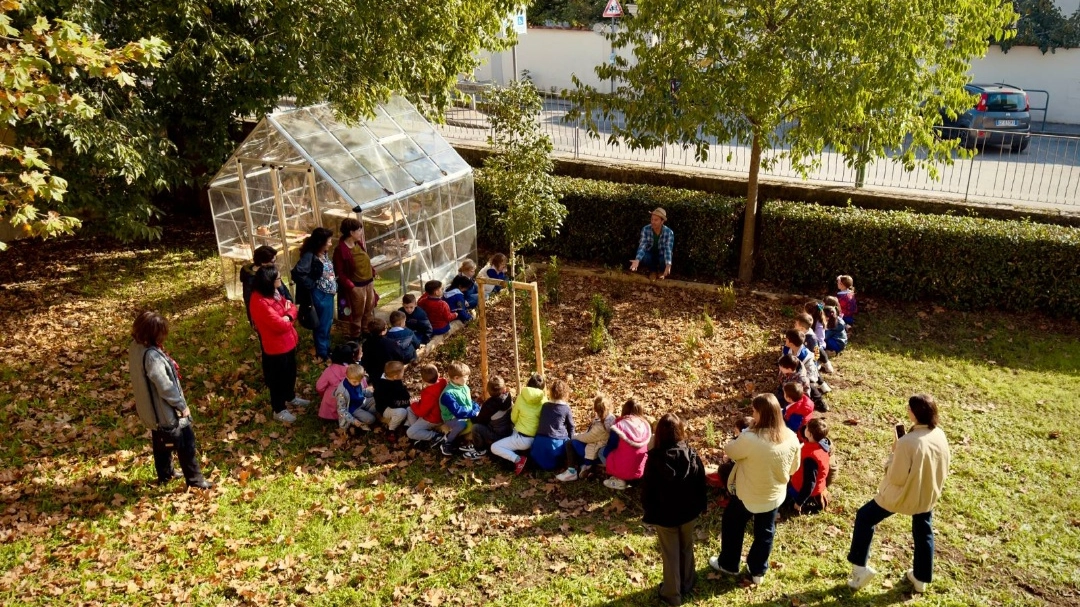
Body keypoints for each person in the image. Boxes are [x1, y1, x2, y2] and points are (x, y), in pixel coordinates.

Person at [847, 394, 951, 594]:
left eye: (909, 409)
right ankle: (921, 578)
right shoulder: (939, 434)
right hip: (927, 494)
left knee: (864, 517)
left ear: (915, 413)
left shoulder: (907, 443)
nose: (907, 411)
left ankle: (860, 570)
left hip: (901, 496)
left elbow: (896, 477)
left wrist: (894, 452)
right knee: (923, 531)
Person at [709, 393, 800, 585]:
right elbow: (794, 468)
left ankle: (729, 564)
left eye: (754, 411)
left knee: (733, 525)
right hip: (774, 495)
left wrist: (745, 432)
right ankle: (758, 570)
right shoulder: (791, 437)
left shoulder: (750, 438)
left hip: (747, 494)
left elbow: (730, 450)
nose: (752, 413)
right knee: (765, 532)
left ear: (760, 414)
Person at [128, 311, 213, 489]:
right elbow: (165, 387)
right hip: (163, 411)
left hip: (151, 411)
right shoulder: (152, 357)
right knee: (186, 442)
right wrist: (181, 406)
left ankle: (166, 474)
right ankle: (195, 480)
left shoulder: (135, 347)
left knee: (160, 441)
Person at [642, 413, 707, 607]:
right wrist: (700, 507)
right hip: (688, 512)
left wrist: (649, 511)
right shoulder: (692, 455)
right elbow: (700, 484)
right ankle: (687, 582)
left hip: (665, 515)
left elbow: (647, 491)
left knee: (670, 553)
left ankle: (672, 594)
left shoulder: (654, 460)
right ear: (681, 431)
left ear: (659, 434)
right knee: (686, 547)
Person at [249, 265, 309, 423]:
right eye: (277, 278)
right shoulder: (260, 301)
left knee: (290, 373)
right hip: (276, 347)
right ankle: (279, 408)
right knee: (277, 379)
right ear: (269, 281)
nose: (280, 280)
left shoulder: (274, 294)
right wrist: (289, 316)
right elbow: (279, 325)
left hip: (288, 341)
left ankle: (290, 397)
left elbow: (290, 305)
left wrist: (287, 315)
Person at [291, 227, 337, 361]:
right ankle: (322, 353)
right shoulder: (310, 256)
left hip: (328, 294)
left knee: (327, 322)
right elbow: (297, 273)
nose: (330, 243)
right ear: (321, 242)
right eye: (328, 241)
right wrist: (311, 284)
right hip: (320, 295)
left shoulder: (323, 253)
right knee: (322, 324)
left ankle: (326, 347)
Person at [491, 373, 546, 475]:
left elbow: (513, 418)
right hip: (538, 439)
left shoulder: (521, 398)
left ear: (528, 384)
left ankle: (518, 459)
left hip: (522, 438)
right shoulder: (544, 400)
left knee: (494, 447)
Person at [333, 218, 376, 339]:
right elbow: (340, 272)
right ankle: (355, 337)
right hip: (357, 286)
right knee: (357, 313)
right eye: (359, 230)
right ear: (351, 233)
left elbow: (363, 259)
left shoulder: (358, 244)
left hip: (368, 282)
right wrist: (351, 287)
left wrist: (372, 271)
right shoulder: (340, 250)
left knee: (369, 309)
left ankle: (367, 332)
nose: (361, 232)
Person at [557, 395, 616, 482]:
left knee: (570, 443)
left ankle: (572, 471)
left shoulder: (602, 425)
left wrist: (574, 436)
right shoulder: (610, 418)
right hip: (598, 446)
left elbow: (587, 437)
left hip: (595, 451)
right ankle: (584, 467)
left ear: (595, 409)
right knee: (578, 443)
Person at [601, 399, 653, 490]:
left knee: (602, 452)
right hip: (640, 471)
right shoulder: (645, 426)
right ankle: (629, 480)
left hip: (624, 470)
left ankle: (617, 478)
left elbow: (610, 448)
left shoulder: (619, 426)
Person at [786, 419, 832, 515]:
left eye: (806, 428)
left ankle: (803, 502)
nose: (804, 428)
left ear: (810, 434)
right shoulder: (822, 444)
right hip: (819, 484)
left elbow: (809, 483)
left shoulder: (811, 458)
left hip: (804, 488)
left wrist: (799, 503)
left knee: (783, 501)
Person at [240, 245, 292, 328]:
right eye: (272, 261)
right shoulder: (251, 279)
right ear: (262, 262)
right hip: (268, 316)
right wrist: (253, 320)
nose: (274, 264)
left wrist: (288, 299)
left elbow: (281, 286)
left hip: (281, 310)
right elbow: (249, 301)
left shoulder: (269, 270)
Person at [530, 379, 575, 472]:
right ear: (565, 394)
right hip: (555, 444)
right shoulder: (566, 408)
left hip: (539, 442)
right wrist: (571, 441)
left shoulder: (545, 405)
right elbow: (571, 426)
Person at [438, 362, 482, 458]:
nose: (467, 379)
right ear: (456, 378)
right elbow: (457, 411)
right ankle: (447, 442)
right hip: (452, 417)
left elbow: (469, 402)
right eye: (465, 377)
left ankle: (471, 443)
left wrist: (477, 408)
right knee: (461, 424)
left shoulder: (464, 387)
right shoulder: (448, 394)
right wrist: (473, 413)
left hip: (465, 414)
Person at [316, 341, 362, 424]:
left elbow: (319, 387)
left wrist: (323, 395)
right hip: (350, 402)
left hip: (331, 403)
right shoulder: (354, 370)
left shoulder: (329, 370)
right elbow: (363, 385)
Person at [406, 364, 447, 448]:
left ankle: (435, 436)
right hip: (440, 413)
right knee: (409, 409)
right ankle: (419, 436)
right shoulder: (443, 382)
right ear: (438, 374)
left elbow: (421, 413)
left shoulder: (428, 393)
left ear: (424, 380)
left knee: (410, 432)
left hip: (432, 419)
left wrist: (414, 403)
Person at [471, 376, 514, 454]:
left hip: (498, 436)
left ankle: (479, 450)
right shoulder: (508, 396)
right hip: (510, 431)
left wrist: (473, 417)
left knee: (475, 427)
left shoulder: (489, 405)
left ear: (489, 391)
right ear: (504, 388)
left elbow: (480, 421)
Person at [629, 207, 674, 279]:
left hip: (662, 254)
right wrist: (637, 260)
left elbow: (668, 249)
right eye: (652, 219)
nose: (653, 222)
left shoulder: (669, 232)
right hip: (650, 253)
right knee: (645, 257)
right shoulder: (645, 229)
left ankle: (662, 271)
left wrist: (668, 265)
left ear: (662, 221)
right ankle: (653, 271)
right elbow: (642, 245)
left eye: (656, 220)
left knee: (664, 260)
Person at [360, 318, 406, 387]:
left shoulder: (366, 343)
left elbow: (365, 359)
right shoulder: (390, 343)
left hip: (374, 373)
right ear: (383, 331)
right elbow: (400, 356)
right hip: (389, 371)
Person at [373, 361, 411, 442]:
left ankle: (406, 426)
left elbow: (404, 394)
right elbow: (392, 403)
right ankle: (391, 429)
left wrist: (406, 400)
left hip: (398, 403)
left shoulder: (397, 381)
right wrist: (405, 401)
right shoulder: (383, 386)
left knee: (410, 409)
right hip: (386, 408)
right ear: (395, 376)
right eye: (402, 373)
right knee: (402, 412)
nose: (403, 375)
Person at [334, 364, 376, 431]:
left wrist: (370, 392)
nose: (357, 383)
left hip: (362, 401)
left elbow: (361, 392)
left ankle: (366, 415)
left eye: (359, 381)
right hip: (353, 409)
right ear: (347, 377)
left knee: (377, 400)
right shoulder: (342, 392)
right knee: (372, 419)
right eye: (354, 382)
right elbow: (341, 410)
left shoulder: (357, 381)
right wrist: (353, 420)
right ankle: (360, 422)